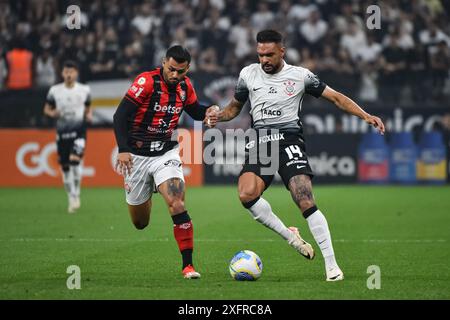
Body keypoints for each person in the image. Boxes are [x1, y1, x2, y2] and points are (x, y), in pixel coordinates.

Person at [206, 30, 385, 281]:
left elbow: (335, 98)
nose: (264, 60)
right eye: (260, 55)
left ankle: (331, 266)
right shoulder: (248, 74)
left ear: (282, 51)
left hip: (289, 140)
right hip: (261, 142)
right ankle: (291, 237)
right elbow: (233, 109)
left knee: (304, 199)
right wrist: (217, 115)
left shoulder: (301, 76)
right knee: (247, 194)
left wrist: (365, 114)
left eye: (269, 54)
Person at [113, 45, 217, 279]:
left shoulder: (185, 86)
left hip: (166, 154)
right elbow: (120, 115)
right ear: (163, 62)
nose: (174, 75)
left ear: (187, 69)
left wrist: (209, 110)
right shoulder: (146, 82)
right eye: (171, 69)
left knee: (177, 203)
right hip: (137, 158)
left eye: (180, 71)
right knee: (140, 223)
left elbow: (195, 111)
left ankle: (188, 266)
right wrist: (123, 149)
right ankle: (148, 189)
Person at [43, 60, 92, 213]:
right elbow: (46, 109)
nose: (69, 75)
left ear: (76, 73)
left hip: (79, 131)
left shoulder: (84, 90)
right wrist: (53, 113)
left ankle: (76, 193)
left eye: (71, 72)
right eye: (66, 72)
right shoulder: (54, 91)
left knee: (75, 161)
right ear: (62, 73)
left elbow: (88, 108)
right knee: (65, 168)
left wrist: (88, 115)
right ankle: (71, 196)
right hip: (62, 133)